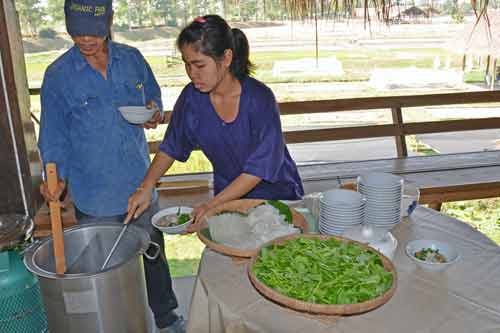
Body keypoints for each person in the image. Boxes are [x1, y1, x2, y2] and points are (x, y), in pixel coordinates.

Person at [37, 0, 185, 332]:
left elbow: (154, 98)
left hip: (139, 183)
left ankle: (167, 318)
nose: (85, 40)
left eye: (93, 31)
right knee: (109, 271)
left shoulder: (132, 60)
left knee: (153, 258)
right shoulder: (58, 76)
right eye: (76, 32)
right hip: (95, 194)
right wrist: (55, 176)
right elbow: (53, 136)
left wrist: (154, 111)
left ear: (110, 21)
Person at [127, 15, 304, 228]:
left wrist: (211, 205)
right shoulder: (192, 98)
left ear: (226, 58)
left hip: (276, 198)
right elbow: (171, 146)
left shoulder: (259, 99)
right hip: (228, 197)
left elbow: (259, 169)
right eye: (187, 64)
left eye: (199, 65)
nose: (192, 74)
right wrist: (145, 187)